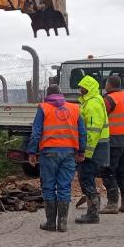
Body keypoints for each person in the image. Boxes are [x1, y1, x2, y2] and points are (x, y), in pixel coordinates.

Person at [27, 85, 86, 232]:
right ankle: (63, 223)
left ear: (47, 95)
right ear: (61, 94)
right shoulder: (74, 108)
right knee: (64, 187)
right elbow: (82, 132)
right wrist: (81, 151)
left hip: (49, 153)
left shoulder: (44, 108)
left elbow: (36, 132)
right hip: (69, 153)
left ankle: (51, 223)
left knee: (49, 187)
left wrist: (32, 152)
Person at [75, 74, 110, 224]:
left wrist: (85, 152)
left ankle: (93, 214)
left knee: (86, 178)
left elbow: (92, 131)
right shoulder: (91, 102)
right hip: (96, 148)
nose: (80, 90)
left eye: (82, 88)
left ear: (88, 89)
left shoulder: (92, 104)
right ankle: (92, 212)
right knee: (86, 178)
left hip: (93, 149)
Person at [101, 75, 124, 214]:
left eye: (106, 84)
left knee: (109, 172)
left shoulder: (110, 99)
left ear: (109, 84)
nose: (105, 86)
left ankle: (112, 204)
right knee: (123, 172)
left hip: (114, 140)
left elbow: (101, 116)